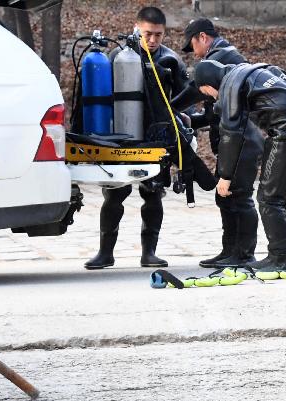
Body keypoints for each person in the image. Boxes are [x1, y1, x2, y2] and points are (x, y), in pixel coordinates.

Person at [85, 7, 194, 270]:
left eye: (158, 35)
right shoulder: (118, 56)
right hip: (122, 137)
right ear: (137, 28)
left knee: (153, 194)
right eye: (148, 34)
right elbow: (102, 96)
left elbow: (185, 100)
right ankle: (105, 252)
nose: (153, 40)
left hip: (156, 137)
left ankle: (149, 253)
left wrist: (185, 129)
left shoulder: (171, 60)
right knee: (114, 195)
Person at [193, 59, 286, 273]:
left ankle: (279, 258)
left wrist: (225, 176)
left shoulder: (230, 83)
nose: (210, 97)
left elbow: (231, 133)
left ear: (207, 86)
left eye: (207, 93)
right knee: (284, 196)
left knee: (269, 198)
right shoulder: (261, 70)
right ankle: (282, 255)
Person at [178, 18, 264, 269]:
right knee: (226, 197)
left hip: (242, 140)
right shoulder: (225, 57)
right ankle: (230, 251)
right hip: (235, 141)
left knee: (239, 196)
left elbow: (195, 91)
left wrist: (169, 106)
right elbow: (211, 113)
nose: (194, 53)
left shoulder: (223, 59)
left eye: (192, 45)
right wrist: (188, 121)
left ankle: (244, 254)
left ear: (203, 38)